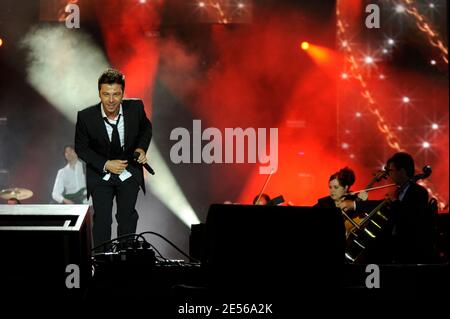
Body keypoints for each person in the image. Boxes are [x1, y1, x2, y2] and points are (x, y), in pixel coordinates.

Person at [75, 68, 152, 251]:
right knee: (102, 220)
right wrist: (106, 164)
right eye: (106, 94)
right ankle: (101, 262)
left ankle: (124, 261)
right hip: (101, 175)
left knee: (127, 218)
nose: (111, 100)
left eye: (116, 94)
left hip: (128, 172)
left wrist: (141, 148)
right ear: (99, 93)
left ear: (123, 93)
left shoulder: (135, 108)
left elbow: (146, 128)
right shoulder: (86, 117)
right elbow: (81, 148)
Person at [340, 152, 434, 263]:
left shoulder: (419, 192)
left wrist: (394, 202)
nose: (389, 175)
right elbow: (381, 204)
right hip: (391, 249)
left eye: (391, 171)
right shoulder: (398, 191)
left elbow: (410, 217)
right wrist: (356, 205)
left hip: (407, 250)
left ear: (402, 171)